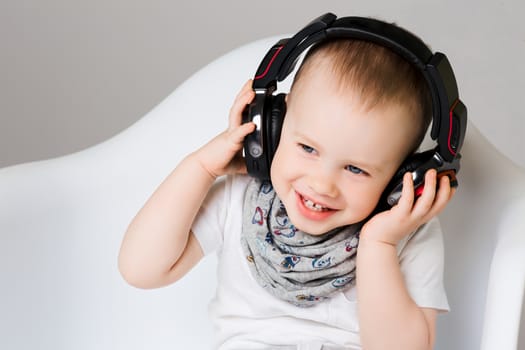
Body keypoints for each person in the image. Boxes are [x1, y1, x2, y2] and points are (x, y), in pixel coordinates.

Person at [118, 15, 461, 350]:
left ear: (401, 178)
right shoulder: (239, 200)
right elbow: (141, 269)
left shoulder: (407, 234)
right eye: (308, 148)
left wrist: (379, 245)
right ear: (270, 128)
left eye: (356, 169)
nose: (322, 184)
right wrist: (200, 168)